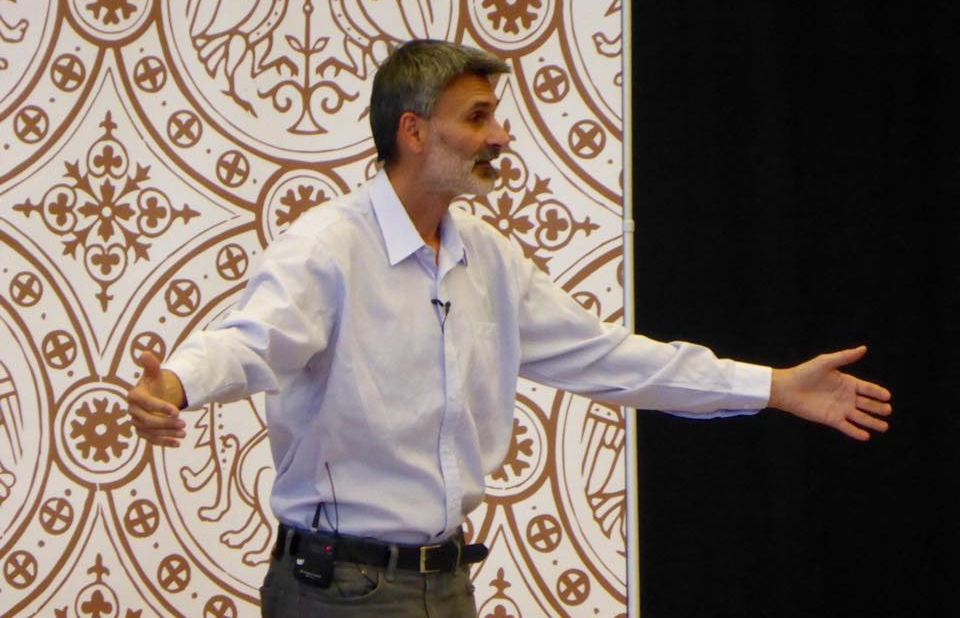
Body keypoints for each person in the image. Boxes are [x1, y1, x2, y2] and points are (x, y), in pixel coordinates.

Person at [126, 39, 892, 617]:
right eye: (477, 117)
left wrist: (770, 387)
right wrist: (176, 384)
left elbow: (609, 358)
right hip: (338, 591)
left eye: (494, 116)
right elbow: (252, 342)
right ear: (414, 131)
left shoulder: (489, 260)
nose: (500, 136)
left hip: (447, 583)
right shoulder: (328, 248)